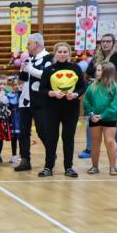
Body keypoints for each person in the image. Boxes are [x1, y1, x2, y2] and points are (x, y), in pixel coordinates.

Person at [36, 42, 86, 178]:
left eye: (65, 52)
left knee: (68, 138)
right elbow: (42, 90)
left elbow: (82, 87)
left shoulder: (76, 68)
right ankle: (48, 167)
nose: (62, 54)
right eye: (60, 52)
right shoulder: (49, 70)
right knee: (51, 138)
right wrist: (51, 93)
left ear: (69, 53)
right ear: (55, 53)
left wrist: (75, 94)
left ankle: (68, 167)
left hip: (71, 109)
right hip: (51, 109)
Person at [16, 34, 51, 171]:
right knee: (23, 132)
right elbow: (23, 79)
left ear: (36, 43)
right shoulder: (29, 59)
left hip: (40, 101)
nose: (27, 46)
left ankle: (51, 155)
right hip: (25, 101)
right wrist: (22, 72)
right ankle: (25, 160)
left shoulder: (48, 58)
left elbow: (46, 75)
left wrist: (29, 69)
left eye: (29, 44)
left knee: (43, 131)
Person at [84, 62, 117, 175]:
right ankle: (94, 166)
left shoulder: (116, 86)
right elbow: (87, 102)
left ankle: (113, 167)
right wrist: (91, 114)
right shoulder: (92, 86)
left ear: (107, 72)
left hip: (109, 118)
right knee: (95, 142)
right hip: (94, 118)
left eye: (99, 70)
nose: (97, 72)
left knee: (110, 141)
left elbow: (115, 105)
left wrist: (103, 116)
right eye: (97, 70)